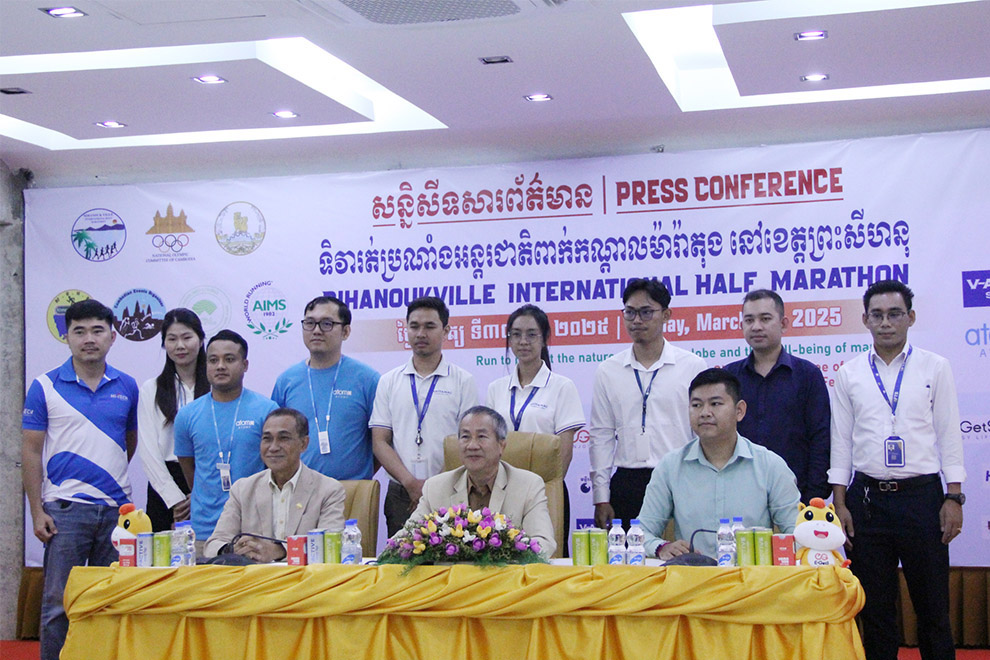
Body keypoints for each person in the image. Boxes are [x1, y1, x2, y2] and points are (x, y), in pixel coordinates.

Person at [830, 280, 965, 660]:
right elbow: (841, 443)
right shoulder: (849, 373)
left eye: (894, 314)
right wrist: (840, 504)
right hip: (867, 502)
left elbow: (949, 436)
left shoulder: (935, 367)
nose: (885, 322)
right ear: (865, 320)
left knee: (933, 609)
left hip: (922, 499)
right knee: (875, 612)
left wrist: (953, 497)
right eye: (877, 315)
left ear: (911, 317)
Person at [22, 299, 139, 660]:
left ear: (112, 336)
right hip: (65, 512)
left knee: (110, 600)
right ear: (66, 337)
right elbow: (30, 451)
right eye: (80, 331)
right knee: (59, 603)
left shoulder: (128, 386)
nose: (89, 338)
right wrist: (36, 510)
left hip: (116, 513)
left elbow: (128, 443)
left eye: (97, 330)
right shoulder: (44, 386)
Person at [638, 368, 800, 560]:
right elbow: (642, 533)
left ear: (739, 411)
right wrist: (661, 547)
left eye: (715, 404)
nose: (705, 413)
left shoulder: (770, 466)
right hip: (692, 580)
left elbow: (798, 534)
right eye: (696, 405)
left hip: (753, 581)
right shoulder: (670, 467)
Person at [589, 277, 707, 529]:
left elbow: (702, 433)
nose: (637, 320)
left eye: (646, 312)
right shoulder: (608, 370)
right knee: (629, 564)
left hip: (680, 477)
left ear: (666, 315)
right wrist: (601, 497)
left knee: (682, 559)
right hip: (627, 481)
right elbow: (601, 435)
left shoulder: (692, 366)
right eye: (629, 313)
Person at [371, 296, 478, 536]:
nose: (421, 333)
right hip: (401, 491)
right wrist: (410, 483)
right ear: (406, 329)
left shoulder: (463, 381)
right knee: (401, 568)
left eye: (430, 326)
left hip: (451, 489)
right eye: (414, 326)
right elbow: (379, 441)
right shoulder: (389, 381)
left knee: (452, 566)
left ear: (446, 331)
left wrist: (433, 487)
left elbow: (469, 442)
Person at [485, 304, 583, 548]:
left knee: (546, 558)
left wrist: (547, 491)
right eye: (515, 334)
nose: (523, 341)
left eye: (531, 334)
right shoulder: (496, 388)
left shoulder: (562, 386)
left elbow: (565, 451)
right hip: (500, 493)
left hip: (545, 492)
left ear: (544, 339)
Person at [403, 406, 556, 557]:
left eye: (481, 437)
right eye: (465, 437)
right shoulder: (435, 487)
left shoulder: (529, 485)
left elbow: (544, 543)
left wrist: (495, 556)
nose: (472, 445)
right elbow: (405, 539)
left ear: (501, 445)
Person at [723, 289, 831, 503]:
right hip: (738, 495)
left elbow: (821, 439)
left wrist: (813, 496)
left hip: (796, 496)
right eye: (749, 320)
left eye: (765, 319)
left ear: (783, 323)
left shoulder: (807, 375)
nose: (756, 326)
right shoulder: (729, 377)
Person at [174, 329, 278, 548]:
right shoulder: (187, 415)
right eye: (213, 360)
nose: (220, 366)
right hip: (204, 531)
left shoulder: (266, 410)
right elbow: (188, 466)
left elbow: (277, 467)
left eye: (229, 359)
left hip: (255, 530)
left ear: (245, 365)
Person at [204, 408, 346, 561]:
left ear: (304, 444)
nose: (273, 447)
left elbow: (330, 546)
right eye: (267, 439)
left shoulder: (329, 490)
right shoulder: (242, 489)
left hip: (305, 579)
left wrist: (281, 551)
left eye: (283, 438)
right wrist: (231, 549)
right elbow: (213, 545)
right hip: (253, 580)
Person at [271, 296, 379, 480]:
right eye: (310, 323)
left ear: (345, 331)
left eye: (327, 324)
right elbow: (275, 439)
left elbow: (382, 442)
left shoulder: (367, 379)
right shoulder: (287, 381)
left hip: (352, 492)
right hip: (298, 491)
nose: (317, 331)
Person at [137, 308, 210, 532]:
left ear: (200, 340)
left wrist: (200, 494)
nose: (180, 345)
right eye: (172, 339)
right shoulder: (153, 389)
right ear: (164, 344)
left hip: (209, 483)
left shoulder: (217, 387)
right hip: (165, 489)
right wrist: (175, 499)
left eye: (187, 337)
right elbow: (148, 451)